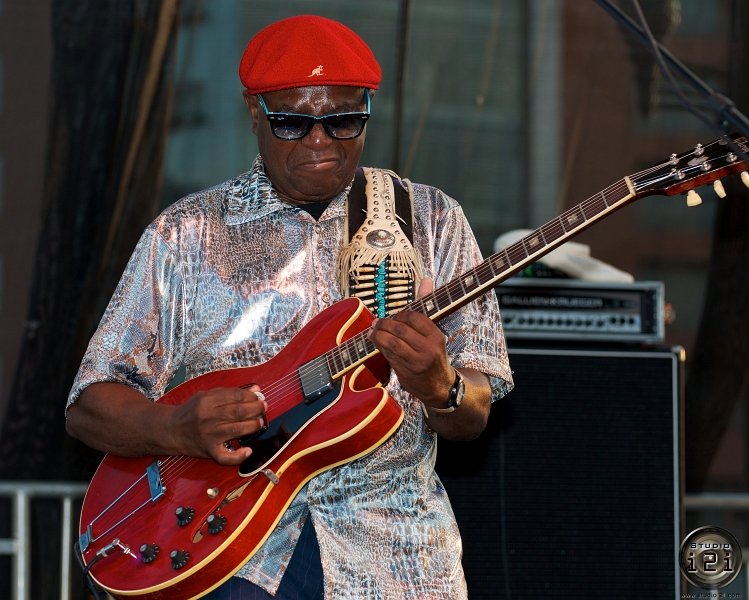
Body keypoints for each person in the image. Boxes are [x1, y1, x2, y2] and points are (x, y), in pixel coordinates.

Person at [66, 14, 513, 600]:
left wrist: (440, 385)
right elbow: (89, 405)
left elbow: (474, 414)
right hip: (231, 550)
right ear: (254, 113)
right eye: (292, 122)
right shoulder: (187, 233)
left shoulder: (431, 220)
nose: (319, 141)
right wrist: (175, 427)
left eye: (343, 120)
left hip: (397, 554)